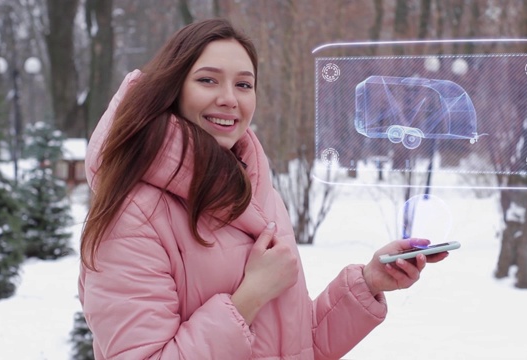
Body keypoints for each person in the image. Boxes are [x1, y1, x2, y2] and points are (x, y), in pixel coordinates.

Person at [78, 18, 449, 360]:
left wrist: (369, 282)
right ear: (171, 89)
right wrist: (250, 296)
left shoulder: (256, 193)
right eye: (208, 80)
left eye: (244, 84)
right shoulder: (132, 217)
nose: (229, 98)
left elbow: (296, 345)